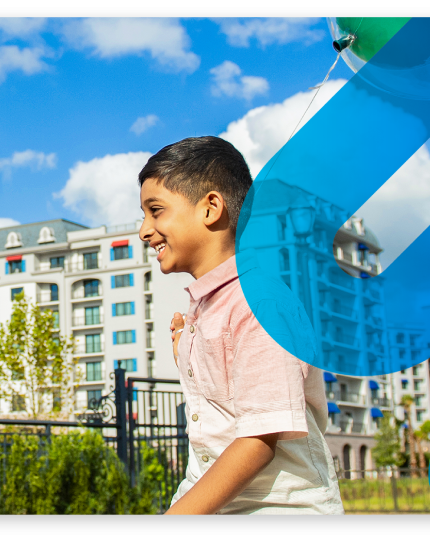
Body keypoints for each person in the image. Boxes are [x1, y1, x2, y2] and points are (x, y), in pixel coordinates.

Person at [138, 136, 343, 515]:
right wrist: (188, 355)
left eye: (156, 210)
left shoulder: (259, 303)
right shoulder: (211, 303)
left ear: (211, 207)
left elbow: (258, 441)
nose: (144, 230)